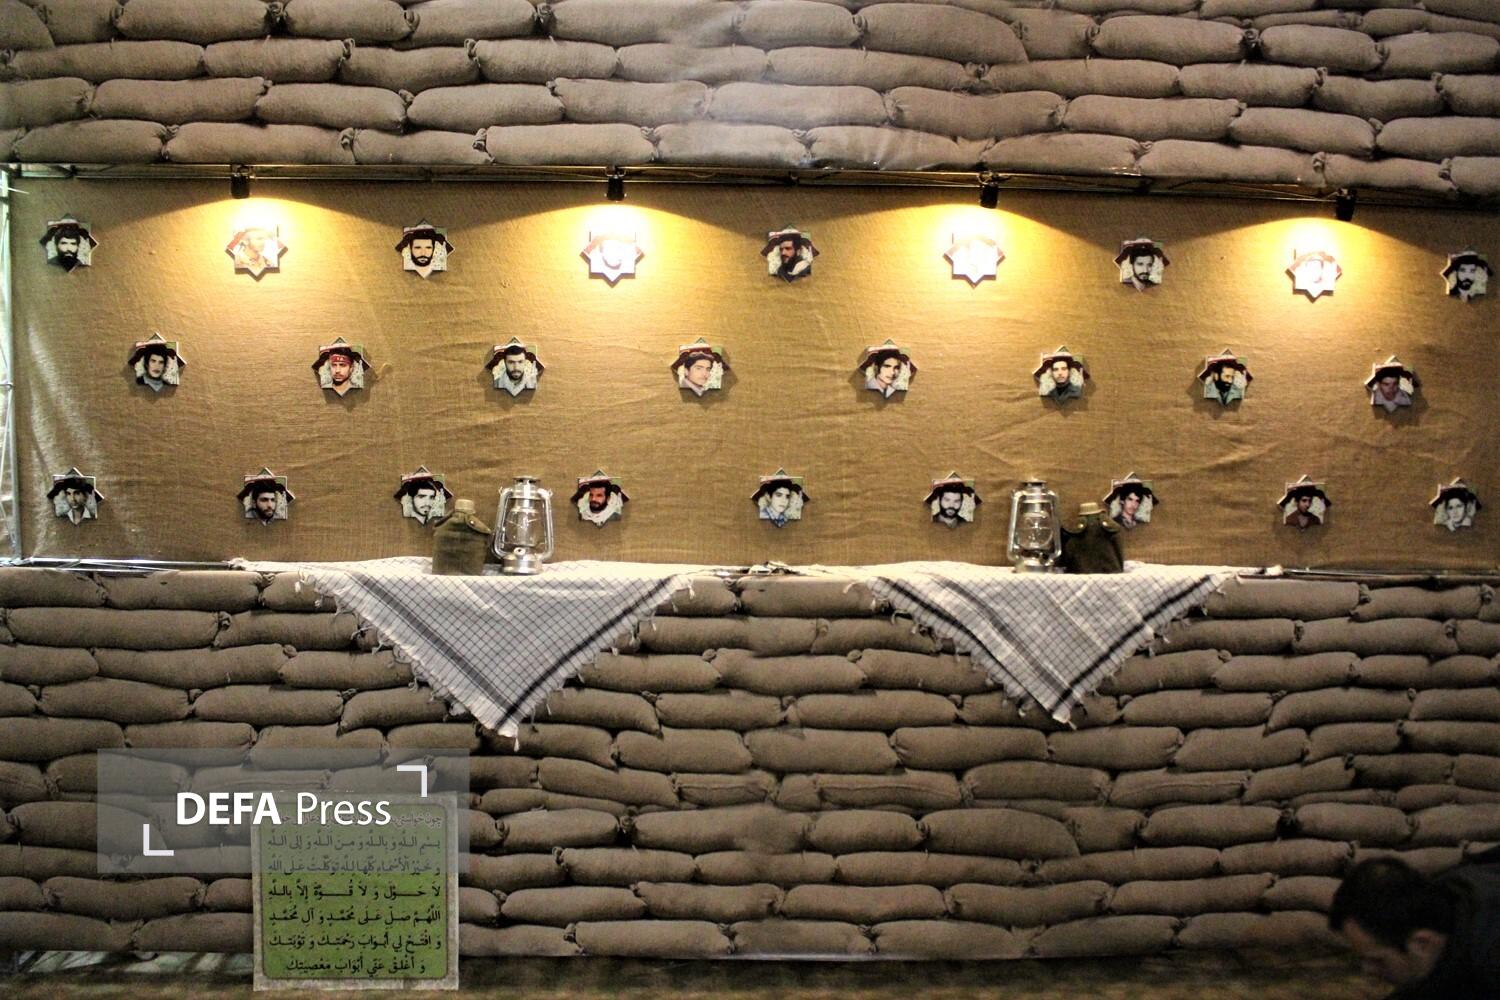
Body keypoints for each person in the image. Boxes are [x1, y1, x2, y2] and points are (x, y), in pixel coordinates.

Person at [1328, 852, 1500, 999]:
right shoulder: (1445, 900)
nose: (1367, 970)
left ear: (1422, 943)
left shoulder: (1489, 958)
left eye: (1378, 960)